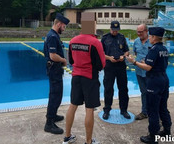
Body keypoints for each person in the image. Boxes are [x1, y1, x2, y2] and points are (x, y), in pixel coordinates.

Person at [63, 12, 106, 144]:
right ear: (93, 24)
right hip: (90, 78)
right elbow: (101, 64)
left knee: (73, 105)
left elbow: (71, 60)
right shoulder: (95, 42)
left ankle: (67, 136)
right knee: (89, 109)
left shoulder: (73, 41)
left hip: (76, 77)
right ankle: (88, 141)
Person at [126, 27, 172, 144]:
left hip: (154, 81)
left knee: (152, 110)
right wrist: (144, 62)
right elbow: (157, 63)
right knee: (163, 107)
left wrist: (134, 62)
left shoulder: (154, 49)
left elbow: (148, 67)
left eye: (150, 36)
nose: (149, 38)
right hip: (164, 79)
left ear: (154, 37)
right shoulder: (164, 49)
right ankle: (167, 131)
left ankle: (152, 136)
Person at [43, 13, 70, 135]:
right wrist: (64, 60)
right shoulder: (53, 36)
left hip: (55, 70)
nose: (64, 29)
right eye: (63, 27)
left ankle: (52, 115)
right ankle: (49, 123)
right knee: (55, 95)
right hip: (54, 70)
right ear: (58, 24)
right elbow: (53, 56)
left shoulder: (54, 35)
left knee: (56, 94)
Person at [101, 21, 130, 120]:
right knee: (108, 89)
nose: (115, 32)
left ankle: (124, 110)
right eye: (113, 30)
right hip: (109, 66)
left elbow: (127, 51)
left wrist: (123, 56)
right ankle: (107, 110)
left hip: (121, 66)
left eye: (117, 30)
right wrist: (109, 58)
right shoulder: (104, 38)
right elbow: (101, 53)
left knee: (123, 89)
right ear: (110, 28)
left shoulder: (122, 37)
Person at [133, 24, 151, 120]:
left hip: (150, 73)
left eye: (141, 32)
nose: (139, 34)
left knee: (153, 93)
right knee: (143, 92)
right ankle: (144, 112)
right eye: (138, 32)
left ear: (146, 31)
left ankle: (154, 113)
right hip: (139, 72)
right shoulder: (136, 41)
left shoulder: (152, 41)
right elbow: (136, 53)